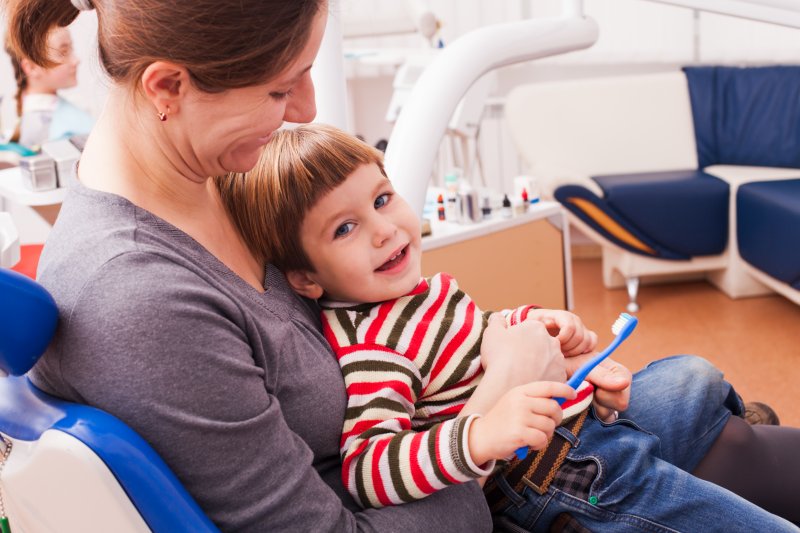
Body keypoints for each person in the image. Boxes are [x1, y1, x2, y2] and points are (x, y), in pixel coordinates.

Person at [6, 1, 798, 532]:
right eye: (282, 88)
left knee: (695, 393)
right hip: (485, 482)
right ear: (168, 87)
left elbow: (387, 331)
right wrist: (494, 398)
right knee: (698, 445)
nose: (310, 108)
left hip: (490, 444)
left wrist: (513, 340)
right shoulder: (143, 299)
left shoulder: (220, 182)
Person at [216, 123, 800, 531]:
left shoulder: (420, 293)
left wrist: (540, 327)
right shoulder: (374, 349)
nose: (383, 230)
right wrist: (477, 436)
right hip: (555, 478)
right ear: (306, 279)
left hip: (575, 428)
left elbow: (476, 339)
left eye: (383, 198)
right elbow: (368, 469)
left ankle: (724, 417)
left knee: (689, 373)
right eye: (344, 229)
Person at [2, 26, 94, 150]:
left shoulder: (60, 117)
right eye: (64, 52)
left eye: (71, 49)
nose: (76, 60)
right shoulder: (44, 130)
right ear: (31, 67)